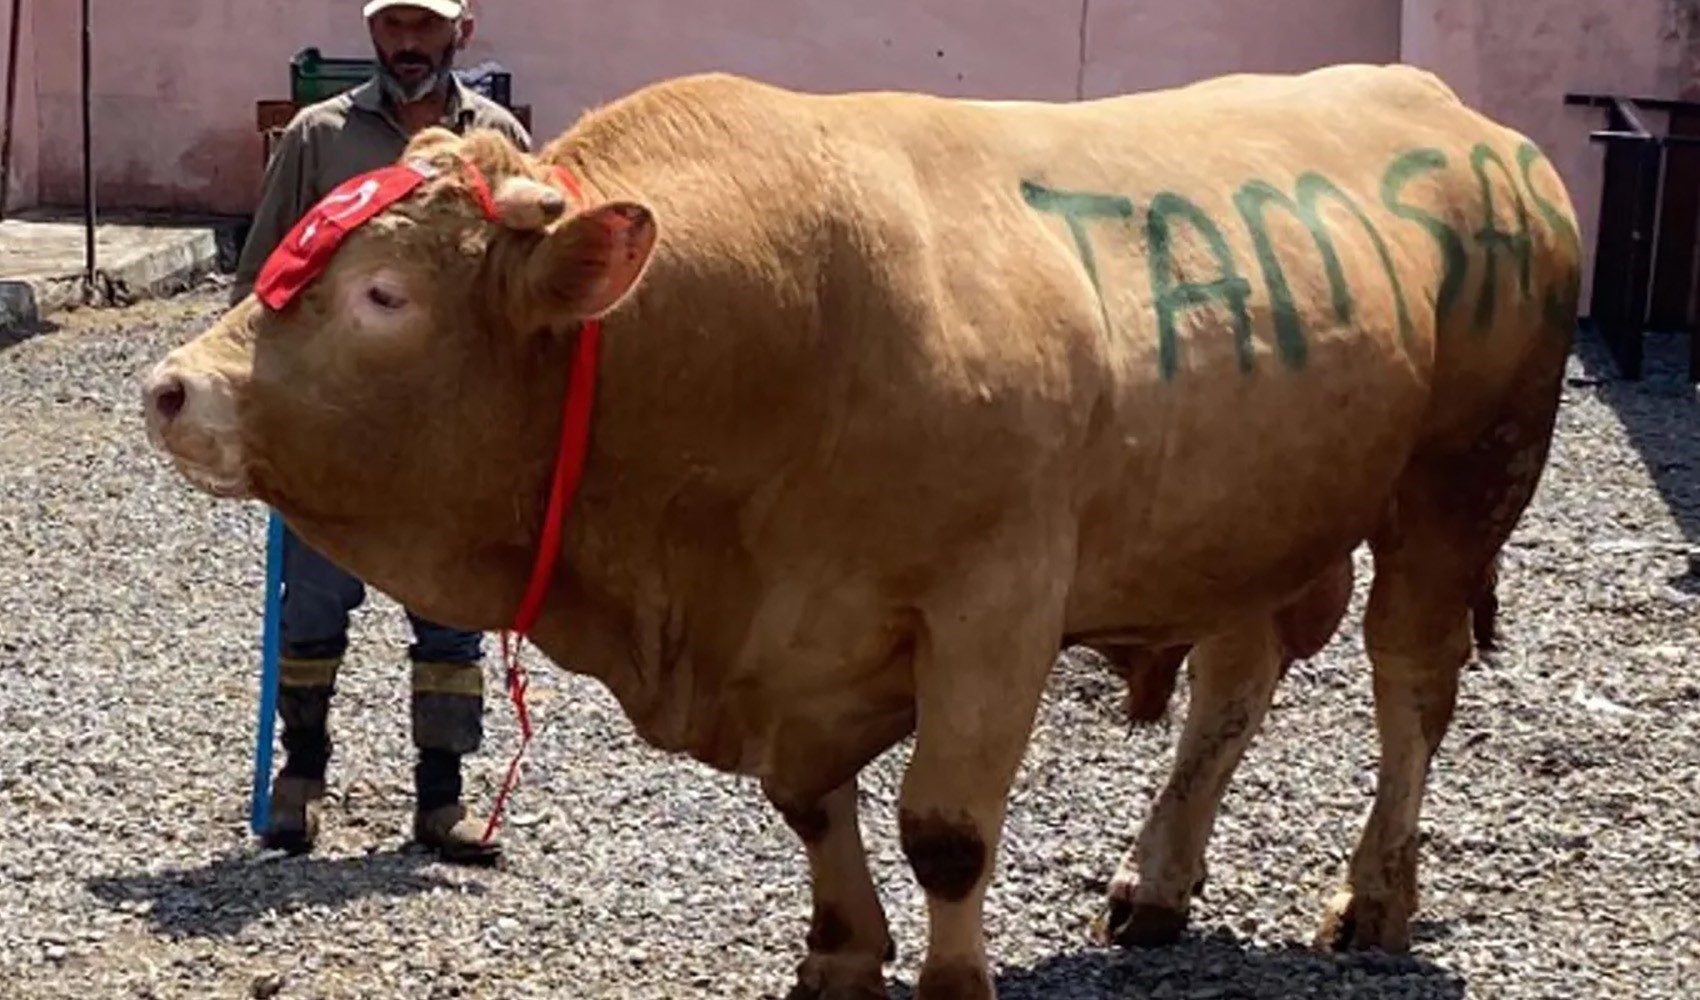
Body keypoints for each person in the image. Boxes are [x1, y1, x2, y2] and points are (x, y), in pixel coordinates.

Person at [230, 0, 532, 866]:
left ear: (459, 33)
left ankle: (441, 801)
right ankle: (300, 780)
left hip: (449, 434)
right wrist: (263, 410)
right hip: (337, 426)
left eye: (425, 27)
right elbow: (263, 283)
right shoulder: (319, 140)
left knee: (450, 614)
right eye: (393, 26)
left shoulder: (498, 138)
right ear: (373, 32)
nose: (407, 44)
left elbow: (522, 286)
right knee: (316, 605)